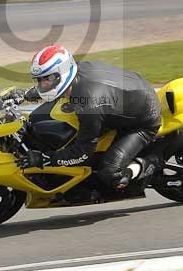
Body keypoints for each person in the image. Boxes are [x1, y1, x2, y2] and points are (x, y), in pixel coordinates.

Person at [8, 43, 163, 191]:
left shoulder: (89, 106)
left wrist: (45, 159)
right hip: (132, 92)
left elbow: (82, 153)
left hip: (144, 121)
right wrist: (25, 95)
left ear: (61, 74)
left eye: (47, 78)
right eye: (39, 80)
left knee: (110, 172)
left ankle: (153, 161)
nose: (42, 84)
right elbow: (50, 89)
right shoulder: (76, 72)